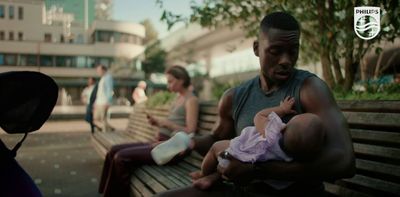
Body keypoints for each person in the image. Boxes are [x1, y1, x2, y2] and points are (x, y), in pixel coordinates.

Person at [157, 11, 355, 197]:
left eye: (293, 51)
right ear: (256, 48)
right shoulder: (235, 96)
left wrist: (259, 170)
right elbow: (217, 139)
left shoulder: (310, 88)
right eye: (275, 51)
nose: (286, 60)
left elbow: (344, 161)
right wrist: (190, 142)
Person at [98, 65, 199, 197]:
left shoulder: (191, 100)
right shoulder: (177, 98)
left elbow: (190, 130)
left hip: (170, 149)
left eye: (171, 81)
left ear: (181, 80)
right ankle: (105, 192)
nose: (168, 85)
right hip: (160, 142)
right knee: (113, 150)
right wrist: (158, 122)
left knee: (121, 157)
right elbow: (174, 123)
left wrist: (166, 123)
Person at [190, 97, 324, 190]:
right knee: (225, 163)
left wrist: (282, 109)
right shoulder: (290, 158)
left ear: (284, 128)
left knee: (216, 148)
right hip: (259, 176)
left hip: (240, 154)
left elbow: (259, 116)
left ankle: (204, 174)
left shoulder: (272, 133)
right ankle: (213, 178)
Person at [93, 64, 115, 132]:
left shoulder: (108, 77)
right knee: (97, 119)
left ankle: (106, 131)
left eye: (99, 70)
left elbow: (109, 90)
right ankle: (109, 129)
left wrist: (108, 102)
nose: (98, 72)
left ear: (103, 70)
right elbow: (100, 92)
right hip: (99, 102)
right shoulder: (102, 78)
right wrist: (96, 102)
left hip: (104, 102)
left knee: (102, 118)